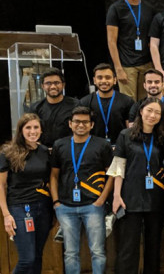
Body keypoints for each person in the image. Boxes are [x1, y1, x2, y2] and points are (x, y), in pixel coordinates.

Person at [109, 98, 164, 274]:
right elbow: (118, 166)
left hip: (156, 199)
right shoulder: (125, 135)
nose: (153, 115)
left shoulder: (163, 138)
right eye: (149, 111)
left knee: (154, 247)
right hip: (130, 198)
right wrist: (116, 195)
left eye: (157, 112)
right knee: (128, 247)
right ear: (141, 112)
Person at [50, 106, 114, 274]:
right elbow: (54, 175)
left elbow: (111, 175)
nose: (81, 125)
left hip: (93, 205)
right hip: (65, 206)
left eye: (85, 122)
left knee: (97, 252)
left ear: (91, 125)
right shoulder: (60, 145)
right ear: (70, 124)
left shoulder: (102, 145)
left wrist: (101, 199)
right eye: (77, 121)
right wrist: (56, 201)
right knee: (70, 253)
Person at [0, 114, 52, 274]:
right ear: (21, 130)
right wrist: (6, 215)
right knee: (26, 259)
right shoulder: (8, 152)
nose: (32, 131)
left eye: (36, 127)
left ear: (41, 130)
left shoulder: (44, 151)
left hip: (43, 207)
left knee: (37, 256)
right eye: (28, 127)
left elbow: (50, 179)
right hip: (20, 208)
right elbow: (1, 185)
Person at [106, 0, 155, 100]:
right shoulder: (116, 8)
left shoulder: (148, 9)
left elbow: (153, 40)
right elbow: (111, 41)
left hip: (147, 64)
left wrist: (155, 65)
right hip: (126, 66)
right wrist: (118, 68)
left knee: (147, 103)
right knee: (129, 105)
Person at [79, 63, 134, 145]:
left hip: (120, 146)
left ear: (115, 80)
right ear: (94, 80)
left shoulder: (127, 101)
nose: (104, 81)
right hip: (93, 147)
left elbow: (130, 129)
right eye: (100, 78)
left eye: (108, 77)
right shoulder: (85, 102)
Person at [28, 68, 79, 148]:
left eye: (56, 83)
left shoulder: (76, 105)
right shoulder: (35, 108)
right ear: (42, 86)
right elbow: (30, 130)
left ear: (63, 85)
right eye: (48, 83)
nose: (53, 86)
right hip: (43, 150)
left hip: (69, 150)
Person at [128, 68, 164, 134]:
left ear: (163, 85)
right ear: (144, 85)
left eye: (157, 82)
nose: (153, 85)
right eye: (149, 82)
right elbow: (132, 133)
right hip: (142, 142)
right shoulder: (136, 106)